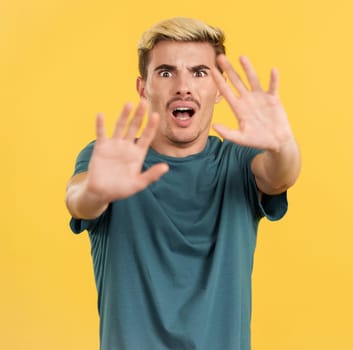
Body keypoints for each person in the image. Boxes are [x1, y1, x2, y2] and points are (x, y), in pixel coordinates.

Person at [65, 17, 301, 350]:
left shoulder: (237, 163)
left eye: (199, 72)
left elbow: (280, 175)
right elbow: (77, 198)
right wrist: (95, 192)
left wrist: (283, 144)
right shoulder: (111, 159)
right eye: (165, 72)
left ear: (218, 89)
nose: (183, 86)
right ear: (143, 88)